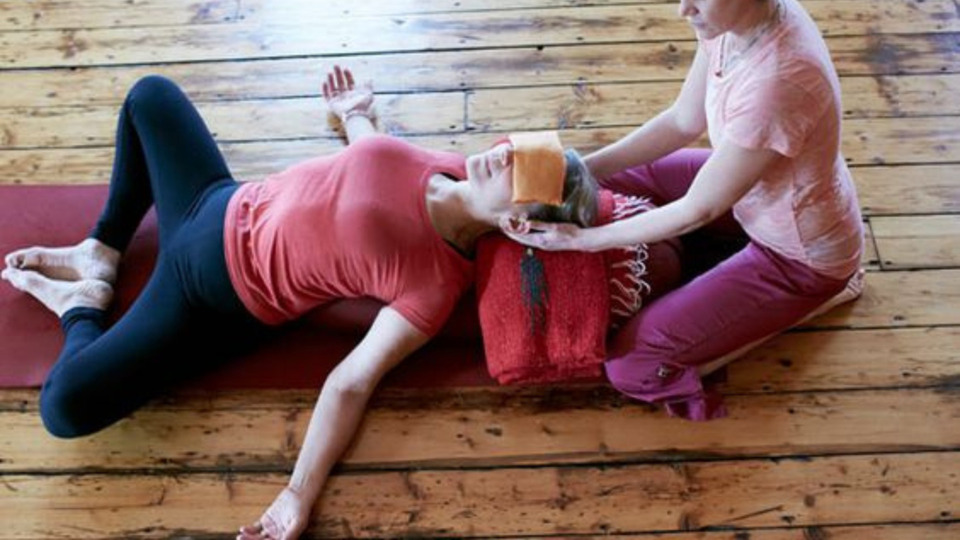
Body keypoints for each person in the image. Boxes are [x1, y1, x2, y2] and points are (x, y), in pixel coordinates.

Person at [0, 67, 600, 539]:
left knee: (64, 408)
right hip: (214, 202)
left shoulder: (435, 285)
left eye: (520, 173)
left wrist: (298, 492)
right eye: (517, 148)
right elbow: (373, 158)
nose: (503, 155)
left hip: (209, 292)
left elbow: (351, 383)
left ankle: (83, 304)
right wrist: (356, 113)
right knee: (149, 95)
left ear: (517, 223)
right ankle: (101, 250)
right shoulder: (446, 166)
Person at [502, 0, 865, 419]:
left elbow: (697, 210)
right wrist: (580, 172)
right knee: (603, 179)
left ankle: (817, 298)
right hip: (749, 187)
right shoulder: (732, 24)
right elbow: (681, 121)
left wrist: (582, 240)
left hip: (799, 257)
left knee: (630, 368)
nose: (683, 9)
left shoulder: (781, 81)